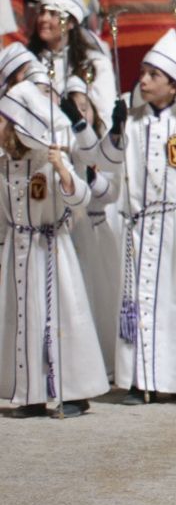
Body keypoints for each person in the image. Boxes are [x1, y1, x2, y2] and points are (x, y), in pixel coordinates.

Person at [101, 30, 176, 401]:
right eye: (143, 74)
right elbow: (108, 164)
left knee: (171, 302)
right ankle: (135, 378)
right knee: (134, 299)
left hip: (175, 225)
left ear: (173, 85)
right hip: (138, 224)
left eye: (154, 75)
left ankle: (169, 378)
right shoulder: (132, 123)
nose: (144, 81)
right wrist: (115, 133)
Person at [0, 81, 107, 416]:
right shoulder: (3, 163)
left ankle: (73, 390)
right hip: (15, 251)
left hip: (50, 250)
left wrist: (62, 168)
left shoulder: (48, 160)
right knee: (21, 320)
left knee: (60, 319)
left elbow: (81, 198)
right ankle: (29, 392)